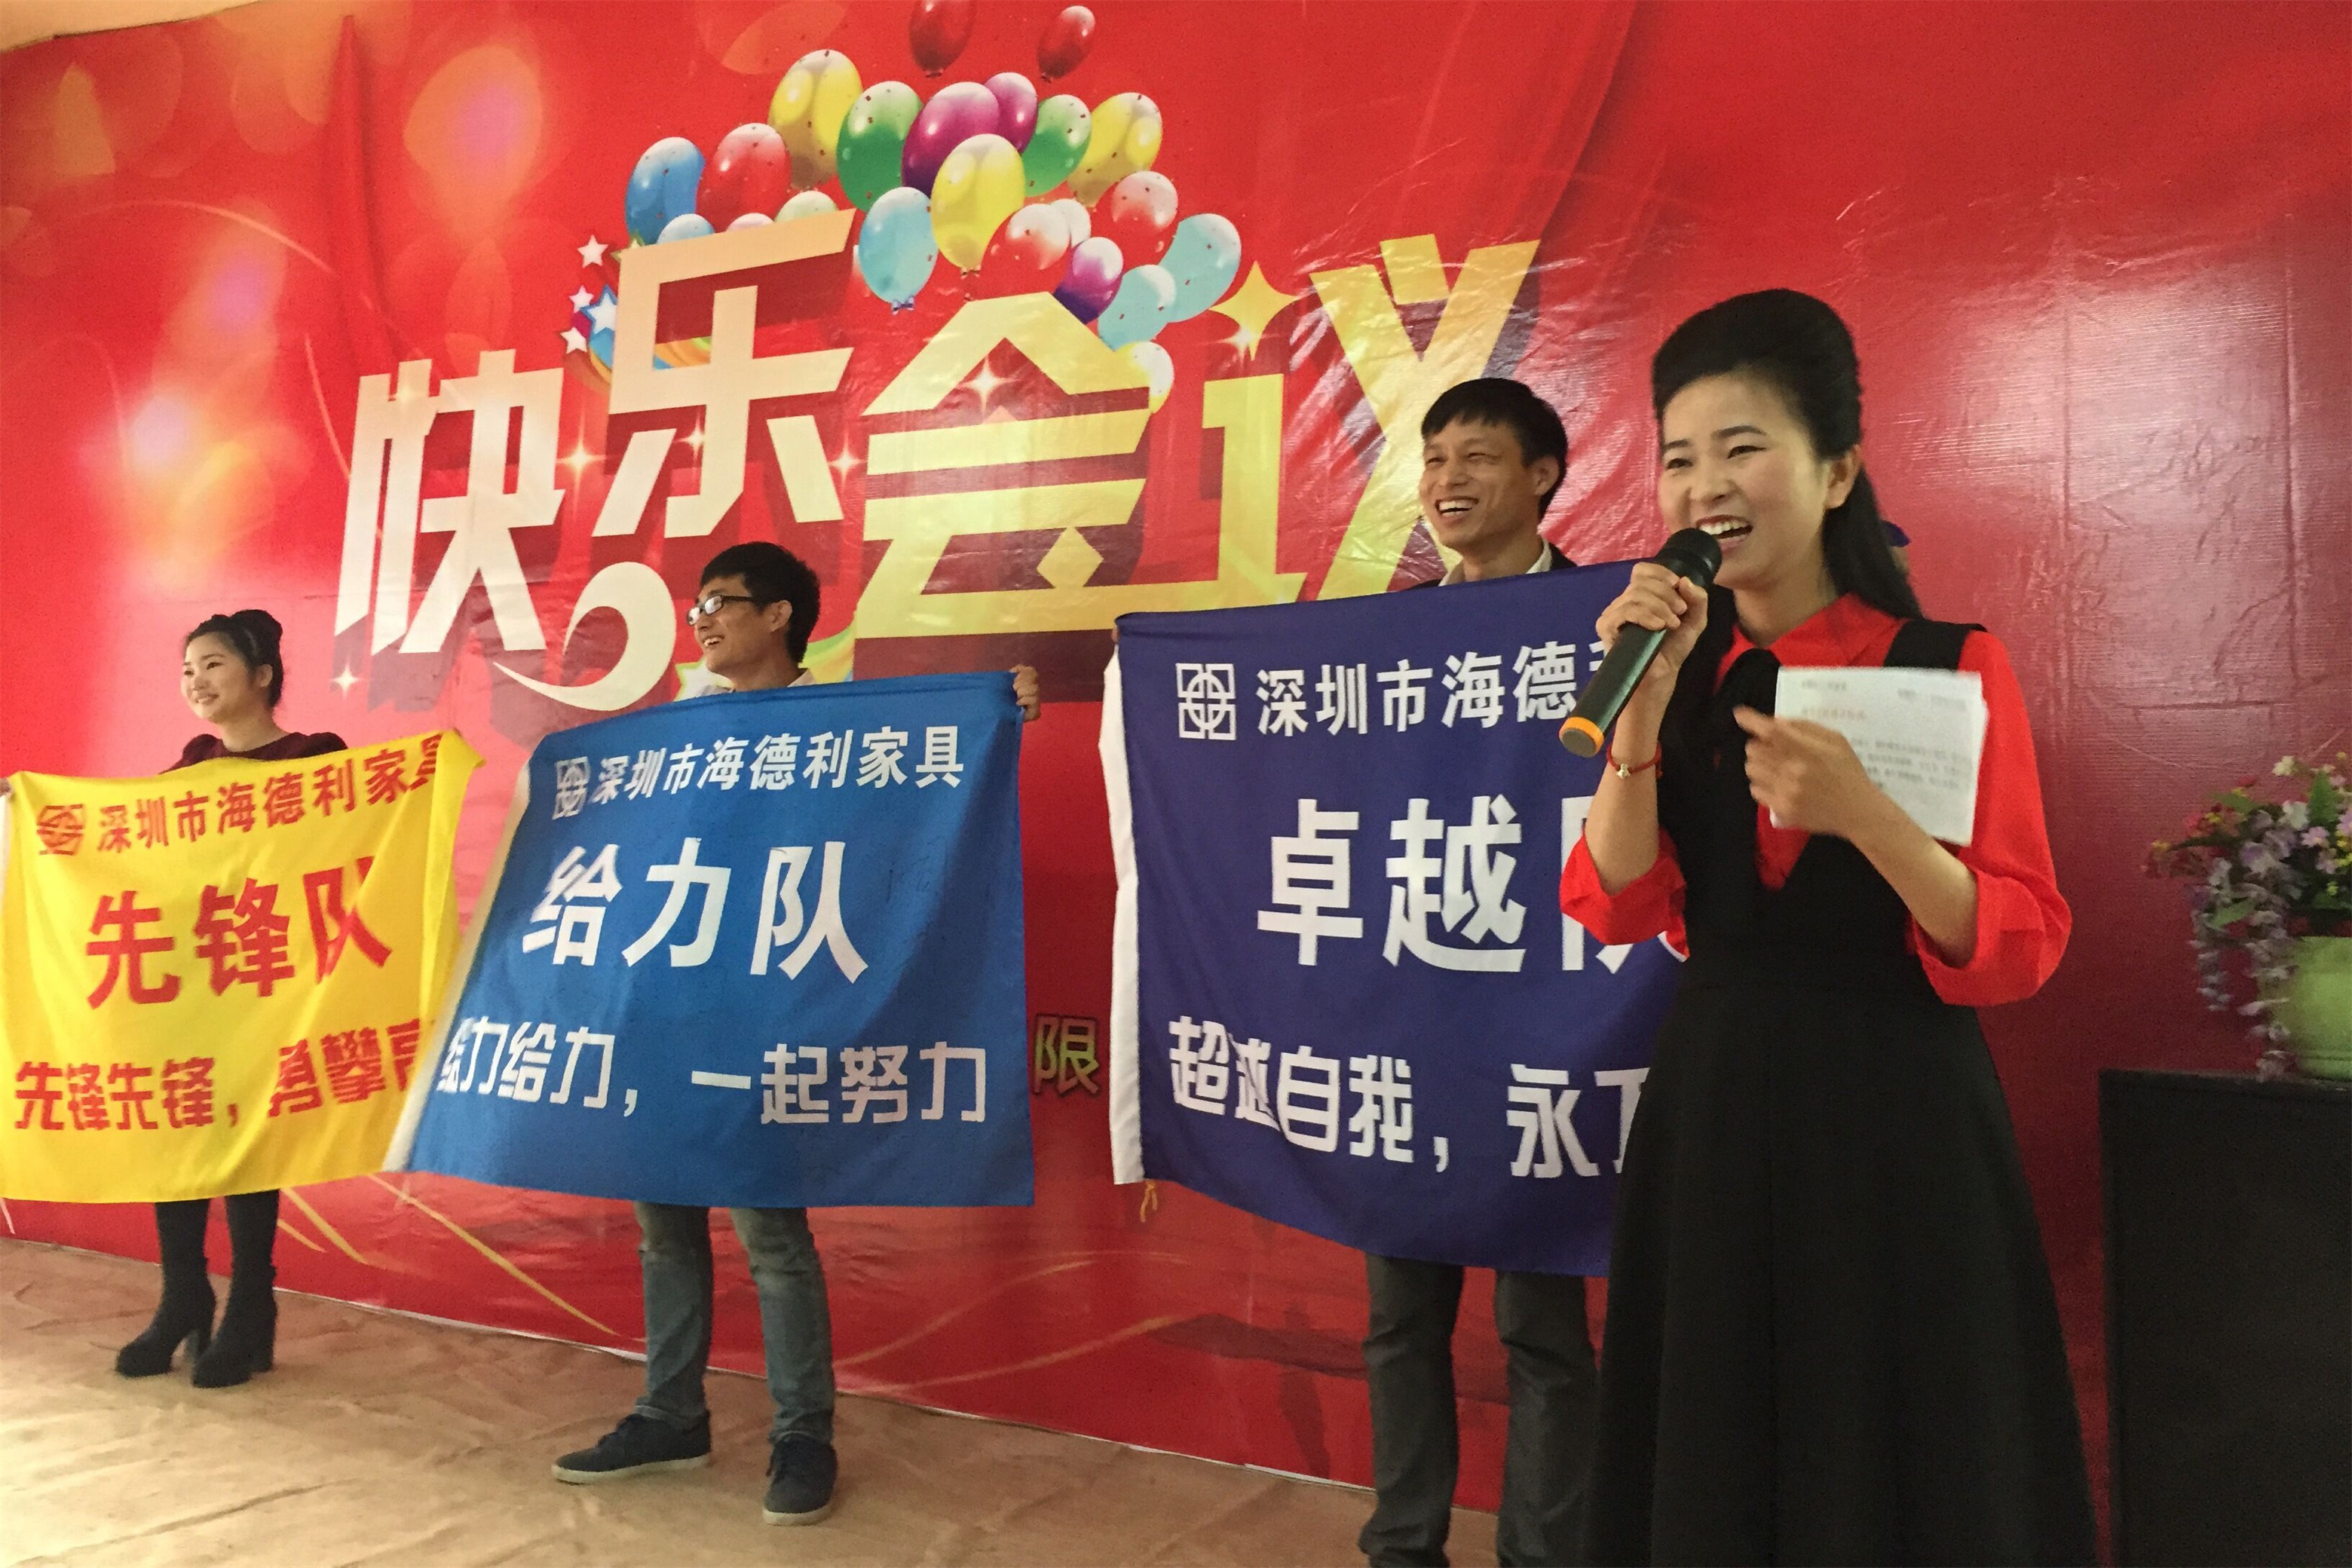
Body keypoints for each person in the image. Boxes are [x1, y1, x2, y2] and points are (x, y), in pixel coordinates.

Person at [1560, 289, 2095, 1563]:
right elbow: (1617, 901)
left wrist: (1871, 818)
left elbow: (2016, 941)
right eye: (1678, 459)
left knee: (1901, 1438)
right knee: (1720, 1437)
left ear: (1837, 471)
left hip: (1899, 1113)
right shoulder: (1678, 671)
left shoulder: (1947, 664)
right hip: (1719, 1104)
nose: (1703, 487)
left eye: (1741, 448)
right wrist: (1639, 730)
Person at [552, 542, 1037, 1527]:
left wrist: (1000, 705)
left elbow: (914, 808)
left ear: (780, 616)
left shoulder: (842, 732)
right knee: (664, 1225)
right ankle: (670, 1414)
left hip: (770, 1016)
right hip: (670, 1010)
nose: (702, 619)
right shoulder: (678, 730)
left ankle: (802, 1433)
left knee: (771, 1233)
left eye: (722, 602)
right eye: (697, 605)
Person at [1360, 378, 1595, 1568]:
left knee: (1542, 1331)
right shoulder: (1388, 636)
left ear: (1543, 475)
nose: (1448, 481)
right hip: (1413, 1016)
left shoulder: (1610, 622)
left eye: (1478, 458)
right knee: (1398, 1320)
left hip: (1553, 1022)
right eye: (1436, 458)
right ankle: (1403, 1545)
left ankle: (1541, 1555)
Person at [112, 609, 347, 1388]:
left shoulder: (317, 759)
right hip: (196, 981)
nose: (197, 682)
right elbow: (138, 848)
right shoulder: (190, 769)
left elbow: (355, 850)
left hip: (275, 979)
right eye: (187, 670)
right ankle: (183, 1294)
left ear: (263, 675)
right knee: (178, 1125)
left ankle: (251, 1302)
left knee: (251, 1138)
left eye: (213, 664)